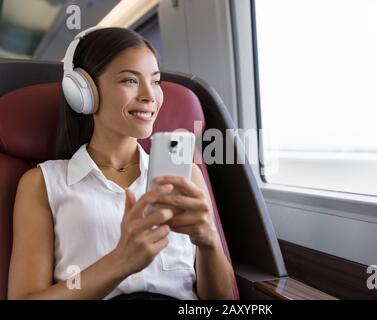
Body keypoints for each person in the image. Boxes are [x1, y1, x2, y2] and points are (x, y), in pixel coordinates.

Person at [7, 27, 235, 300]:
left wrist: (208, 241)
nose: (150, 95)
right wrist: (119, 262)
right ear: (84, 92)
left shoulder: (186, 173)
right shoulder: (42, 183)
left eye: (156, 81)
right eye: (129, 80)